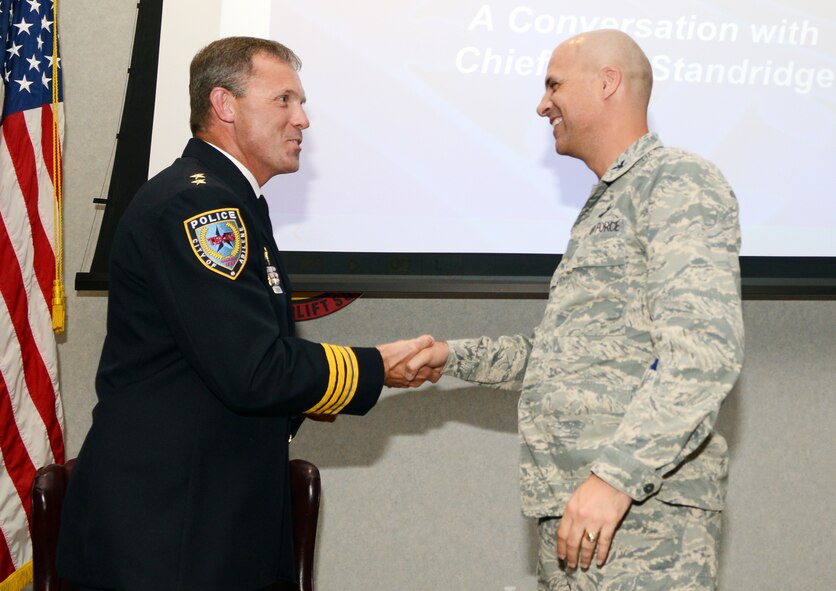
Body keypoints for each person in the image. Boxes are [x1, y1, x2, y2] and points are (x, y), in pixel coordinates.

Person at [57, 37, 432, 591]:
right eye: (283, 100)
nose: (303, 119)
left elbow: (226, 367)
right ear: (225, 106)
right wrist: (374, 367)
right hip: (170, 530)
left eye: (300, 103)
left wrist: (311, 392)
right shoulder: (201, 206)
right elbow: (252, 370)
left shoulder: (232, 201)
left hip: (204, 514)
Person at [402, 29, 744, 590]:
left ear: (607, 82)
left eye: (554, 85)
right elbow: (567, 357)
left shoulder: (678, 183)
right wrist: (450, 356)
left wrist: (615, 479)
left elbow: (703, 355)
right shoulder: (607, 200)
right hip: (581, 518)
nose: (542, 104)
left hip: (640, 520)